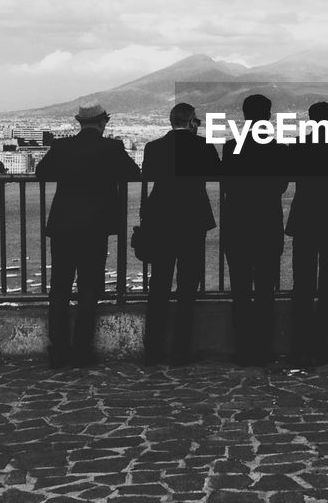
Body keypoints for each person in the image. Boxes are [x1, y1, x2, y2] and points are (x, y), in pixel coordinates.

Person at [35, 105, 140, 368]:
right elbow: (133, 174)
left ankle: (59, 351)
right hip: (96, 227)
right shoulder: (112, 149)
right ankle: (82, 350)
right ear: (103, 122)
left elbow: (42, 173)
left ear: (80, 122)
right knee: (89, 287)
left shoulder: (61, 147)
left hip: (63, 226)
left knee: (59, 287)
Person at [141, 102, 221, 366]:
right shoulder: (203, 147)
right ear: (191, 122)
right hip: (192, 221)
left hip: (161, 220)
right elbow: (216, 173)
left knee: (159, 284)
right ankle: (181, 350)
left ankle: (152, 349)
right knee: (187, 286)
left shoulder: (153, 147)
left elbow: (149, 174)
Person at [220, 94, 288, 366]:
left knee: (239, 289)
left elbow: (227, 185)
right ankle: (263, 349)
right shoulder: (278, 150)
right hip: (267, 225)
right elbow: (281, 186)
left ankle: (241, 349)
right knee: (264, 291)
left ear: (245, 115)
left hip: (237, 224)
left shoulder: (230, 147)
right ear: (268, 116)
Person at [285, 101, 328, 368]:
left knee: (302, 284)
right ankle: (320, 345)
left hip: (304, 219)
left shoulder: (298, 146)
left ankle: (298, 347)